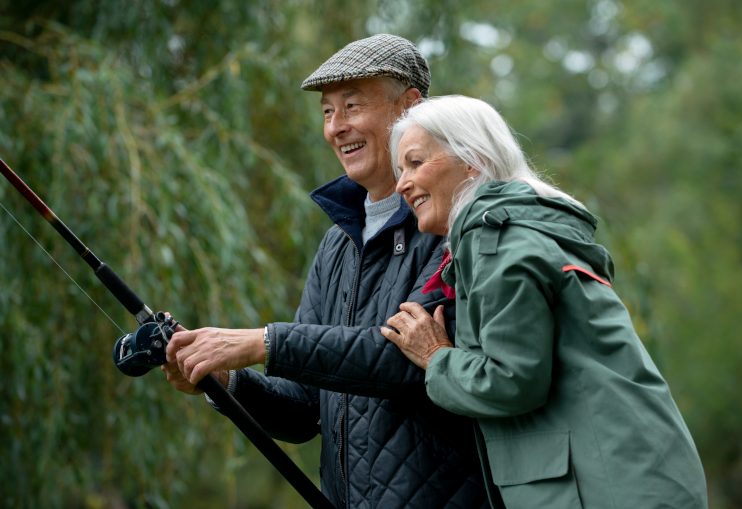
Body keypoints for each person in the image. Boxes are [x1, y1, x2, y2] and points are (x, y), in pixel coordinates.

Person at [160, 36, 489, 509]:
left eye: (352, 106)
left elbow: (407, 361)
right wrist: (222, 378)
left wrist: (262, 343)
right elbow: (302, 410)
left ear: (410, 107)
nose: (337, 127)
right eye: (327, 112)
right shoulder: (337, 244)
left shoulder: (452, 222)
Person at [381, 95, 708, 509]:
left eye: (415, 163)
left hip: (609, 488)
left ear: (473, 160)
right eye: (399, 170)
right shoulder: (523, 229)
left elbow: (514, 381)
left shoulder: (497, 240)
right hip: (642, 475)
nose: (401, 184)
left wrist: (437, 357)